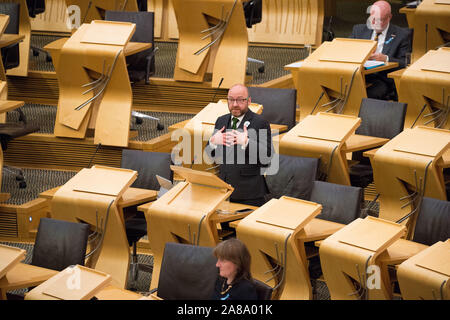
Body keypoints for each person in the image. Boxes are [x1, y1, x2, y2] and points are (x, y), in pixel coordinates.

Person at [205, 84, 273, 207]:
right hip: (223, 192)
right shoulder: (221, 121)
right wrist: (213, 142)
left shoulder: (260, 123)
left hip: (249, 194)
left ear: (249, 101)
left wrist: (246, 142)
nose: (235, 104)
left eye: (240, 100)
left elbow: (267, 158)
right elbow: (210, 155)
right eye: (231, 99)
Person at [349, 1, 411, 100]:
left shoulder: (402, 35)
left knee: (364, 96)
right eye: (372, 18)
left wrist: (386, 58)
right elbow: (346, 51)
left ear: (389, 17)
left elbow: (406, 63)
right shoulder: (358, 30)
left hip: (382, 79)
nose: (373, 23)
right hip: (358, 76)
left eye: (379, 20)